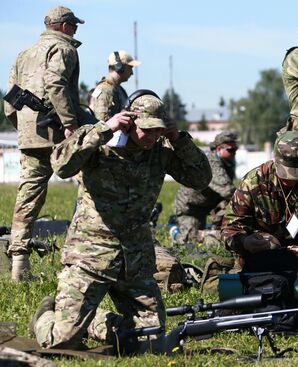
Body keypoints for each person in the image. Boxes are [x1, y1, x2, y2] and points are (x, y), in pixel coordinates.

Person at [31, 93, 212, 349]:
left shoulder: (161, 151)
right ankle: (48, 316)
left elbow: (201, 179)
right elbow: (61, 165)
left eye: (157, 131)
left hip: (134, 260)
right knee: (61, 341)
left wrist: (180, 140)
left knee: (152, 340)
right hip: (91, 256)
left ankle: (92, 322)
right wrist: (102, 129)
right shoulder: (101, 142)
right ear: (129, 121)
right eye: (146, 130)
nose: (151, 137)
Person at [4, 5, 89, 281]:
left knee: (29, 195)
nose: (75, 30)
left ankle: (19, 264)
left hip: (30, 134)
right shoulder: (64, 49)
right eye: (74, 25)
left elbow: (9, 101)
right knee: (91, 184)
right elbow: (55, 82)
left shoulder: (23, 54)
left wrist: (24, 128)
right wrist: (69, 124)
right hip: (60, 132)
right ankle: (87, 255)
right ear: (64, 26)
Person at [221, 131, 298, 273]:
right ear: (275, 161)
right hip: (260, 258)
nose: (290, 180)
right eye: (285, 174)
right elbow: (230, 229)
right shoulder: (254, 182)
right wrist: (245, 242)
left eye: (297, 175)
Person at [171, 131, 238, 245]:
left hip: (208, 205)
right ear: (218, 149)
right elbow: (228, 191)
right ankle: (174, 231)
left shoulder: (228, 162)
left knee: (230, 208)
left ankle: (219, 229)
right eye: (230, 150)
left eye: (235, 150)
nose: (234, 153)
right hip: (190, 209)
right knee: (190, 239)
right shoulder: (212, 162)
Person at [90, 50, 141, 121]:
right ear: (120, 67)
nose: (132, 73)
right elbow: (101, 121)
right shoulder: (103, 89)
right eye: (130, 68)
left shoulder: (120, 90)